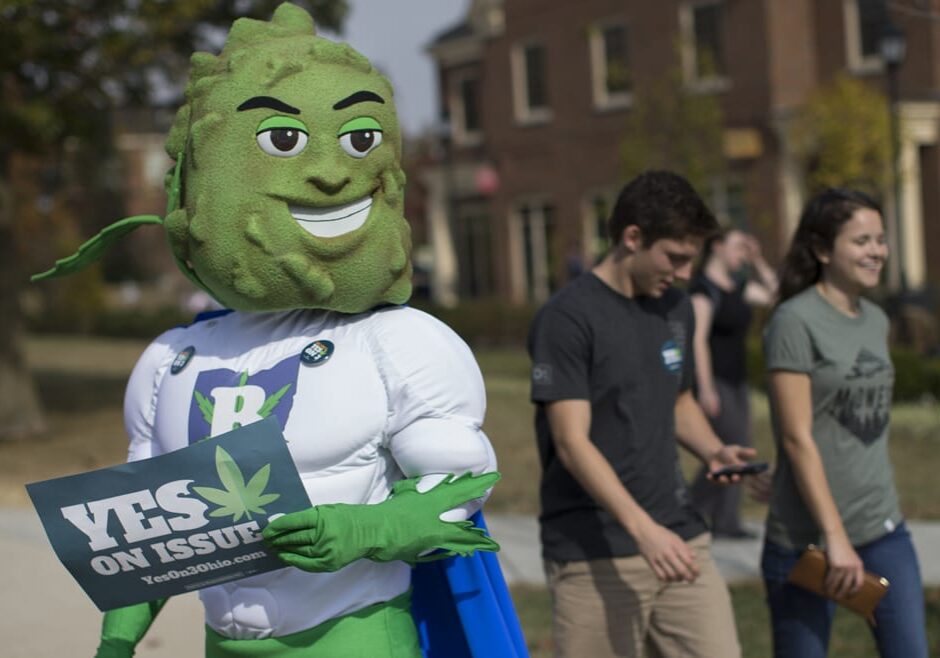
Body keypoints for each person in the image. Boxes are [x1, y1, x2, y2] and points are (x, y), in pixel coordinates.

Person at [528, 170, 756, 658]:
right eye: (674, 257)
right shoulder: (567, 318)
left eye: (691, 260)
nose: (683, 274)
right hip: (596, 552)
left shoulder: (676, 307)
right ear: (632, 238)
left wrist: (714, 451)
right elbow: (571, 442)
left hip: (680, 538)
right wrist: (642, 530)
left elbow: (679, 401)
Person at [761, 188, 929, 658]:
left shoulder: (875, 318)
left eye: (880, 239)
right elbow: (796, 437)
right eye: (861, 241)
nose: (876, 250)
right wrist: (835, 539)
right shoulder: (794, 322)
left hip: (882, 528)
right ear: (821, 250)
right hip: (806, 542)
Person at [688, 229, 777, 538]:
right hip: (716, 380)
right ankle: (703, 512)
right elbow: (697, 341)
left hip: (738, 380)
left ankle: (716, 517)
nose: (743, 252)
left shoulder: (738, 287)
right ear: (717, 246)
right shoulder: (703, 290)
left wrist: (758, 260)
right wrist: (706, 388)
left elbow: (777, 295)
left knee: (735, 447)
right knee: (733, 447)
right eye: (738, 246)